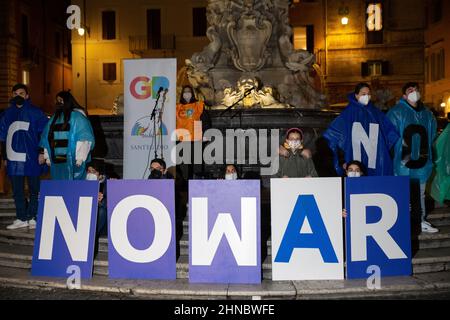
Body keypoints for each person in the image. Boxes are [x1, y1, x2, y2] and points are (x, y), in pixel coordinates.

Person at [387, 82, 439, 233]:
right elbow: (389, 135)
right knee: (403, 191)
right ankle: (401, 221)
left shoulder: (427, 114)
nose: (414, 92)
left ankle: (420, 220)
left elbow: (432, 134)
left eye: (416, 90)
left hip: (421, 160)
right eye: (410, 90)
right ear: (404, 95)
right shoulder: (396, 112)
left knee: (421, 192)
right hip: (403, 161)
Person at [323, 82, 399, 176]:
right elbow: (337, 137)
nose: (366, 96)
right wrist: (342, 160)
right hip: (354, 163)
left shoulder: (376, 113)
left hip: (374, 160)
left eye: (368, 94)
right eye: (363, 94)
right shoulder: (348, 114)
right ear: (356, 95)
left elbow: (389, 134)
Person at [0, 83, 48, 230]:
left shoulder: (36, 112)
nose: (18, 96)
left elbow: (44, 134)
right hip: (14, 158)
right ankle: (21, 217)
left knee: (34, 189)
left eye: (21, 93)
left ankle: (33, 216)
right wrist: (4, 157)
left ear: (27, 96)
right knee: (17, 190)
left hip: (32, 156)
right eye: (15, 94)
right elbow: (2, 137)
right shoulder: (6, 114)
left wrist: (41, 152)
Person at [40, 91, 95, 180]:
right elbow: (47, 137)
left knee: (75, 185)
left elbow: (84, 137)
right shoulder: (54, 118)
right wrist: (47, 156)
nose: (58, 103)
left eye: (61, 100)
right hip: (57, 159)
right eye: (57, 100)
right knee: (60, 184)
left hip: (74, 158)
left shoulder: (78, 117)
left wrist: (80, 157)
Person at [176, 85, 205, 180]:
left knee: (197, 163)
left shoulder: (198, 105)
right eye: (185, 91)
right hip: (182, 138)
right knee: (184, 164)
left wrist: (205, 133)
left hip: (196, 137)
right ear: (182, 94)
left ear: (192, 93)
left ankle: (197, 184)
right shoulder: (177, 107)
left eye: (189, 91)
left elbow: (205, 120)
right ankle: (185, 186)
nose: (187, 93)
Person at [86, 158, 107, 237]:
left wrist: (101, 201)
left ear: (100, 175)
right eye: (89, 171)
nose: (90, 174)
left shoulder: (107, 184)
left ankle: (91, 236)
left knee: (102, 211)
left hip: (100, 218)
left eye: (94, 172)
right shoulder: (82, 183)